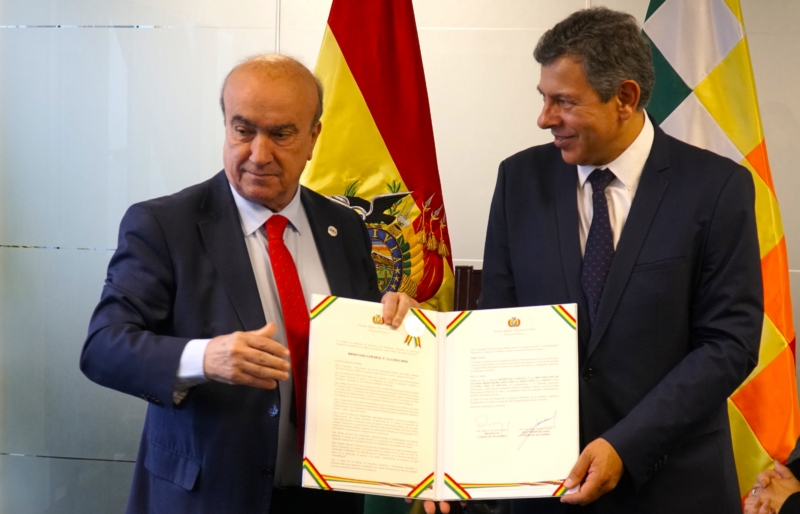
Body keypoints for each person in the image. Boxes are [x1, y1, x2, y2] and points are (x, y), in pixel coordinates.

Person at [80, 54, 417, 514]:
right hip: (207, 498)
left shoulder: (345, 228)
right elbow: (103, 347)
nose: (259, 154)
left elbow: (357, 358)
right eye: (243, 131)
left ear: (314, 137)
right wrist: (203, 358)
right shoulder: (164, 224)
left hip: (327, 497)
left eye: (281, 134)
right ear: (226, 126)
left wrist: (397, 327)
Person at [474, 7, 762, 514]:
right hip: (547, 491)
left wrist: (624, 446)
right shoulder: (518, 181)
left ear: (625, 98)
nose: (544, 119)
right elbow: (497, 326)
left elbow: (729, 345)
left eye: (564, 102)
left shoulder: (716, 189)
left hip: (673, 490)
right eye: (544, 98)